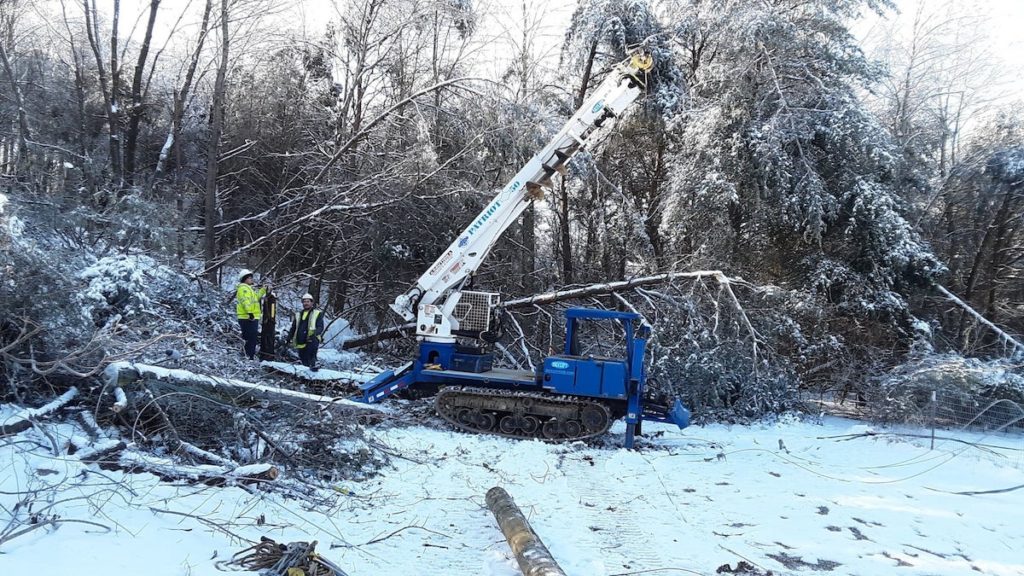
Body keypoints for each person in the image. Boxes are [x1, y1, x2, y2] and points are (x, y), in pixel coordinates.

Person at [235, 269, 267, 360]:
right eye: (249, 278)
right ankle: (248, 357)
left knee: (251, 339)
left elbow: (255, 298)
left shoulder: (249, 289)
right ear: (244, 279)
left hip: (250, 317)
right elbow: (246, 302)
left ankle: (248, 356)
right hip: (248, 317)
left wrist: (263, 290)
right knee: (250, 339)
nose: (251, 279)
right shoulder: (244, 289)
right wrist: (250, 313)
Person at [288, 293, 324, 370]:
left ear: (312, 303)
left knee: (311, 359)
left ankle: (313, 375)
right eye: (304, 302)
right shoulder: (298, 315)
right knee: (303, 361)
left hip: (312, 340)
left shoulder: (317, 313)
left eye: (308, 301)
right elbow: (293, 328)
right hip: (300, 341)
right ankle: (305, 378)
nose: (306, 303)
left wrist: (314, 334)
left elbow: (320, 327)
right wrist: (288, 338)